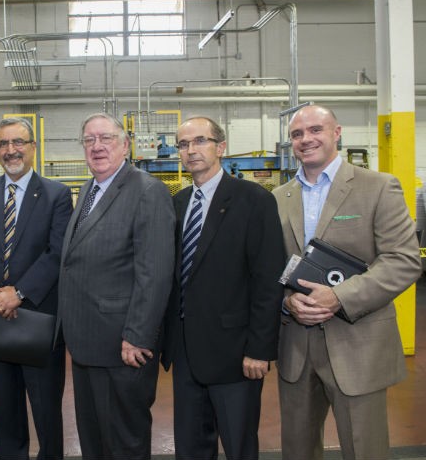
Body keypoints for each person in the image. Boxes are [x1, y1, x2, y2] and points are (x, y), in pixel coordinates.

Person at [272, 104, 421, 460]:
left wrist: (339, 297)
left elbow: (403, 260)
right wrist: (286, 301)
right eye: (297, 134)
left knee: (364, 448)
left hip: (359, 346)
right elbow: (269, 269)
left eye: (315, 130)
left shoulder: (378, 187)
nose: (306, 139)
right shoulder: (277, 199)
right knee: (297, 448)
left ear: (337, 133)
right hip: (296, 346)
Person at [160, 117, 285, 459]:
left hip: (235, 354)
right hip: (185, 350)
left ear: (221, 147)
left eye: (200, 141)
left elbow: (268, 278)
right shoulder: (178, 203)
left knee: (239, 445)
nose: (190, 150)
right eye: (183, 144)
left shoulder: (254, 200)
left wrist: (260, 349)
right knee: (191, 446)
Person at [57, 112, 175, 459]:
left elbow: (155, 272)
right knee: (94, 438)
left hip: (124, 346)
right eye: (89, 140)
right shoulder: (90, 189)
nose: (97, 147)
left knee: (124, 440)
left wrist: (138, 334)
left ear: (125, 145)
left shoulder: (146, 191)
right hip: (87, 344)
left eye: (105, 138)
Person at [0, 117, 72, 460]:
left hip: (38, 319)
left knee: (46, 410)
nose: (11, 150)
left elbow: (57, 252)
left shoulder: (57, 195)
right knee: (5, 410)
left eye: (18, 142)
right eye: (4, 144)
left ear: (33, 147)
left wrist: (18, 292)